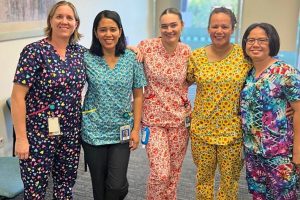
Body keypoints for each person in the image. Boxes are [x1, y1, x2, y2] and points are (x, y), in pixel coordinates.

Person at [10, 1, 86, 199]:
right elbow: (17, 97)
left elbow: (108, 55)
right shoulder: (34, 51)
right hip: (38, 133)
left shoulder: (80, 53)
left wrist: (129, 48)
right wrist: (21, 139)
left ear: (76, 23)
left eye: (69, 17)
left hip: (70, 132)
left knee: (65, 186)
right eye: (59, 16)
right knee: (35, 190)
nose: (64, 21)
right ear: (50, 20)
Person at [81, 10, 147, 200]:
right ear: (95, 32)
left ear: (120, 31)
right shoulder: (86, 58)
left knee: (117, 186)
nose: (108, 34)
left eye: (112, 29)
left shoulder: (131, 58)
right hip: (93, 129)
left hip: (121, 130)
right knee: (99, 185)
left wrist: (136, 129)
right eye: (103, 30)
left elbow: (138, 95)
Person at [186, 7, 251, 199]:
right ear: (208, 29)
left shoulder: (245, 56)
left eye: (225, 26)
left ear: (233, 29)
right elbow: (181, 82)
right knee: (203, 180)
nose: (219, 31)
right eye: (215, 26)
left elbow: (265, 77)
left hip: (232, 133)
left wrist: (287, 104)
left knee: (229, 183)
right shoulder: (196, 57)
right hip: (201, 131)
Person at [240, 22, 300, 200]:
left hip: (281, 154)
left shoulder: (285, 72)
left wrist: (298, 152)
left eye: (262, 40)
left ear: (271, 42)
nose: (255, 44)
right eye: (251, 40)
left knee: (283, 196)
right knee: (258, 195)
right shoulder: (248, 73)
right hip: (253, 152)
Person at [137, 8, 191, 200]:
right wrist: (130, 49)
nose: (169, 30)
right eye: (164, 26)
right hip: (153, 120)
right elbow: (126, 54)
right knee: (161, 173)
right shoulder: (147, 46)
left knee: (174, 175)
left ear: (181, 26)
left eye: (173, 25)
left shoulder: (186, 52)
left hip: (179, 121)